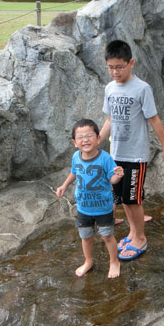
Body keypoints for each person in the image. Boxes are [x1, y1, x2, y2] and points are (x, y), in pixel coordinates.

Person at [100, 39, 164, 261]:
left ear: (131, 63)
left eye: (119, 67)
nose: (115, 72)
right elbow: (109, 119)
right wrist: (97, 142)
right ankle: (132, 233)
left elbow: (153, 119)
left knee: (133, 199)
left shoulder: (142, 89)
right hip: (116, 155)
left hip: (135, 155)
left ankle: (140, 238)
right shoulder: (110, 88)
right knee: (122, 199)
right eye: (111, 67)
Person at [56, 119, 124, 278]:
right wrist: (64, 185)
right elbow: (74, 172)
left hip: (103, 207)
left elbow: (111, 180)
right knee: (85, 236)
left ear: (98, 138)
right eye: (80, 137)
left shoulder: (105, 158)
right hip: (83, 207)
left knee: (107, 235)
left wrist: (118, 176)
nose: (85, 140)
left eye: (89, 135)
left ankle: (114, 261)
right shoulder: (76, 156)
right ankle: (88, 261)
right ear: (74, 142)